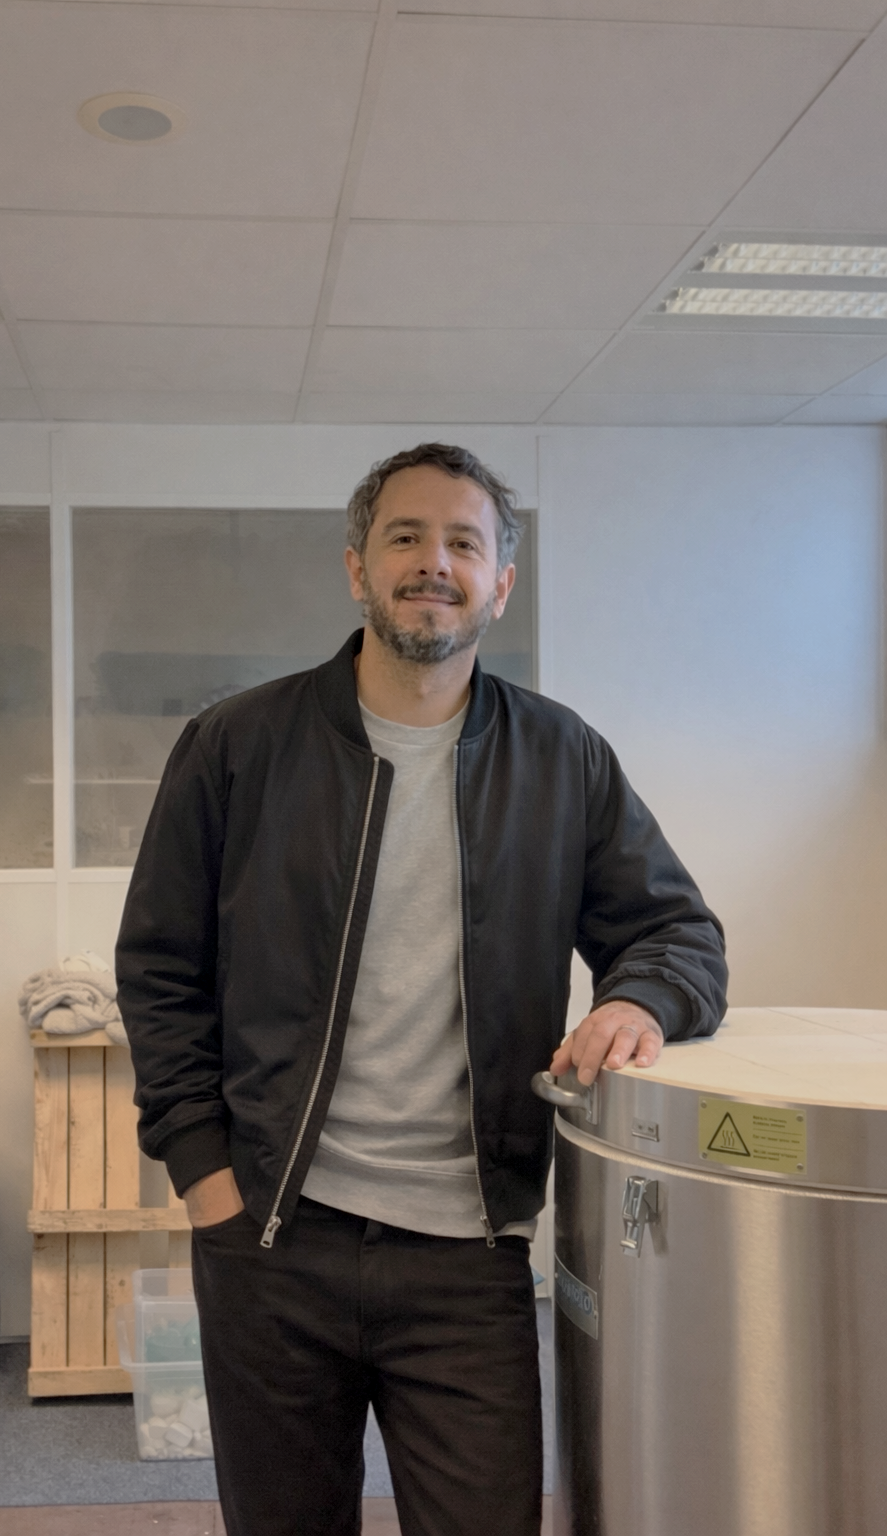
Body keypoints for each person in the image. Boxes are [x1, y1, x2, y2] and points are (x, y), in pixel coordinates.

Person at [116, 442, 727, 1536]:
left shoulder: (562, 759)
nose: (432, 562)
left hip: (468, 1255)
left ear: (500, 582)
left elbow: (677, 932)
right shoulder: (237, 745)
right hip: (271, 1240)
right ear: (357, 566)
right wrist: (204, 1174)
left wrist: (637, 1000)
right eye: (404, 536)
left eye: (462, 543)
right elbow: (160, 966)